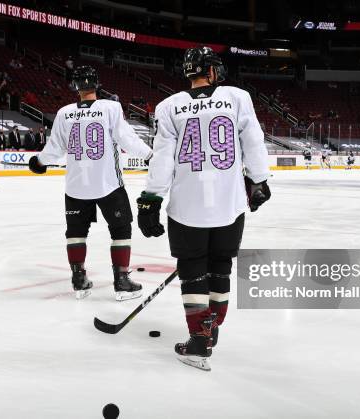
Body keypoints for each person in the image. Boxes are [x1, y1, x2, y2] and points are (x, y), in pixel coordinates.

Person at [135, 46, 270, 371]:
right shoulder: (237, 97)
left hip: (187, 206)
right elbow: (254, 141)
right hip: (230, 203)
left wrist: (151, 198)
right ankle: (213, 326)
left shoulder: (169, 106)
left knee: (193, 270)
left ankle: (198, 340)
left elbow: (163, 157)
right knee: (220, 267)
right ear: (211, 71)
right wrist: (259, 180)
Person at [29, 65, 153, 301]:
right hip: (108, 184)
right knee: (120, 229)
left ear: (74, 86)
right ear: (96, 84)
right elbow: (127, 138)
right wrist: (150, 155)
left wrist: (39, 162)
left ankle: (78, 279)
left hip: (76, 186)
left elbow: (54, 149)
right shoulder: (111, 107)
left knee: (76, 232)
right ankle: (121, 280)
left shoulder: (64, 112)